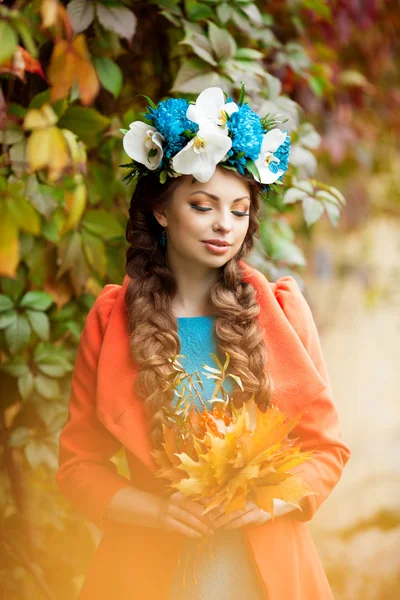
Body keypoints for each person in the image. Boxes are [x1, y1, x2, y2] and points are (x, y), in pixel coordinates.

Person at [56, 86, 351, 600]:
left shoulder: (280, 310)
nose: (223, 225)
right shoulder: (110, 319)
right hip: (150, 572)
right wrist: (157, 511)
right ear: (163, 211)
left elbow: (326, 448)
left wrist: (271, 502)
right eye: (203, 204)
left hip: (266, 572)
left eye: (239, 211)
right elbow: (79, 467)